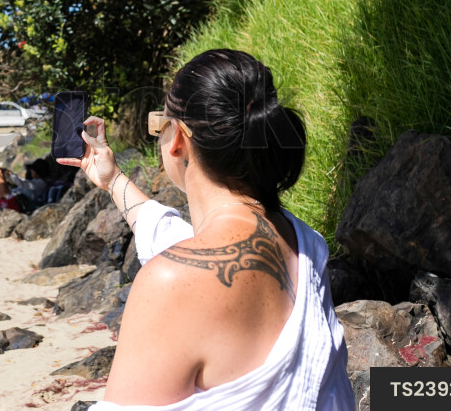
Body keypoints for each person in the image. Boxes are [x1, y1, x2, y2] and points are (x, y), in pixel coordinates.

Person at [57, 49, 354, 410]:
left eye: (159, 125)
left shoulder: (170, 283)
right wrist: (112, 179)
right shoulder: (304, 241)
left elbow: (186, 270)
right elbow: (177, 239)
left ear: (178, 138)